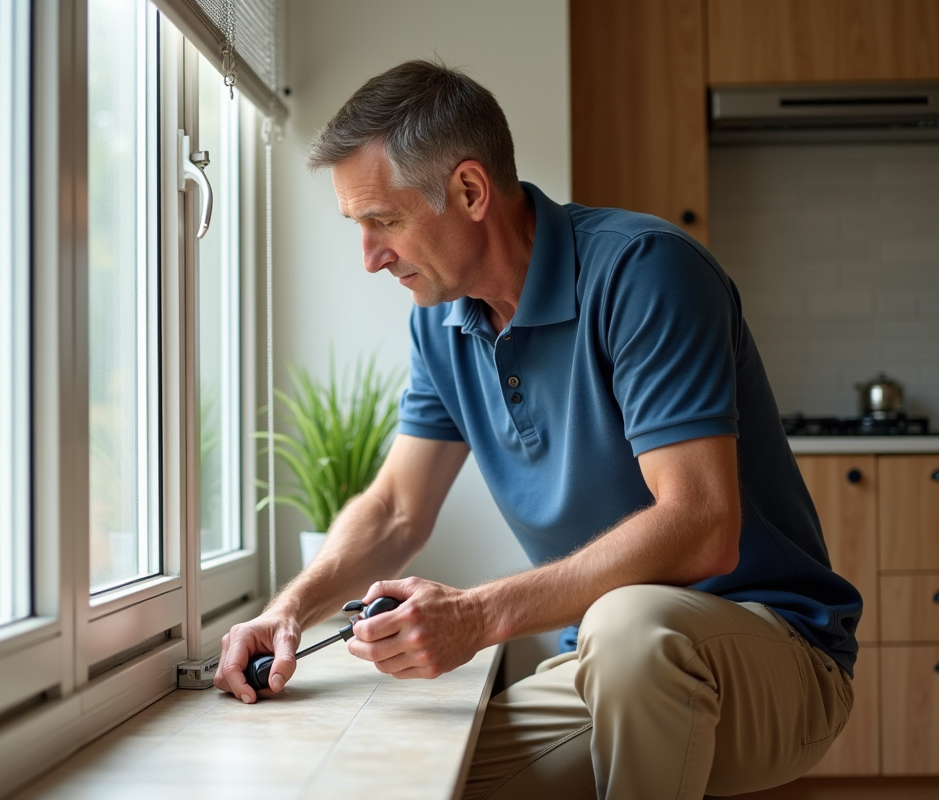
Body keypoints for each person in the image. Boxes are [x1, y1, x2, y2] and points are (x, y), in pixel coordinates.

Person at [214, 59, 861, 799]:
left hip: (774, 656)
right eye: (357, 226)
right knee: (420, 780)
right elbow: (396, 508)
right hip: (601, 663)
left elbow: (702, 522)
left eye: (383, 221)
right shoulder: (441, 324)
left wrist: (477, 615)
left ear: (469, 190)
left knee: (626, 623)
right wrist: (287, 609)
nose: (369, 257)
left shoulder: (643, 273)